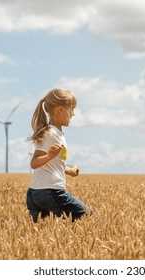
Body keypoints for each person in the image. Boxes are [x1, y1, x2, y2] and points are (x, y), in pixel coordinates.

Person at [26, 88, 91, 222]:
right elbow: (34, 162)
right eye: (72, 109)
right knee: (88, 216)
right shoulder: (50, 133)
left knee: (44, 233)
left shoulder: (55, 133)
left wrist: (69, 170)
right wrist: (49, 155)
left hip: (35, 194)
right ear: (60, 109)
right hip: (51, 193)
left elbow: (53, 163)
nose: (73, 114)